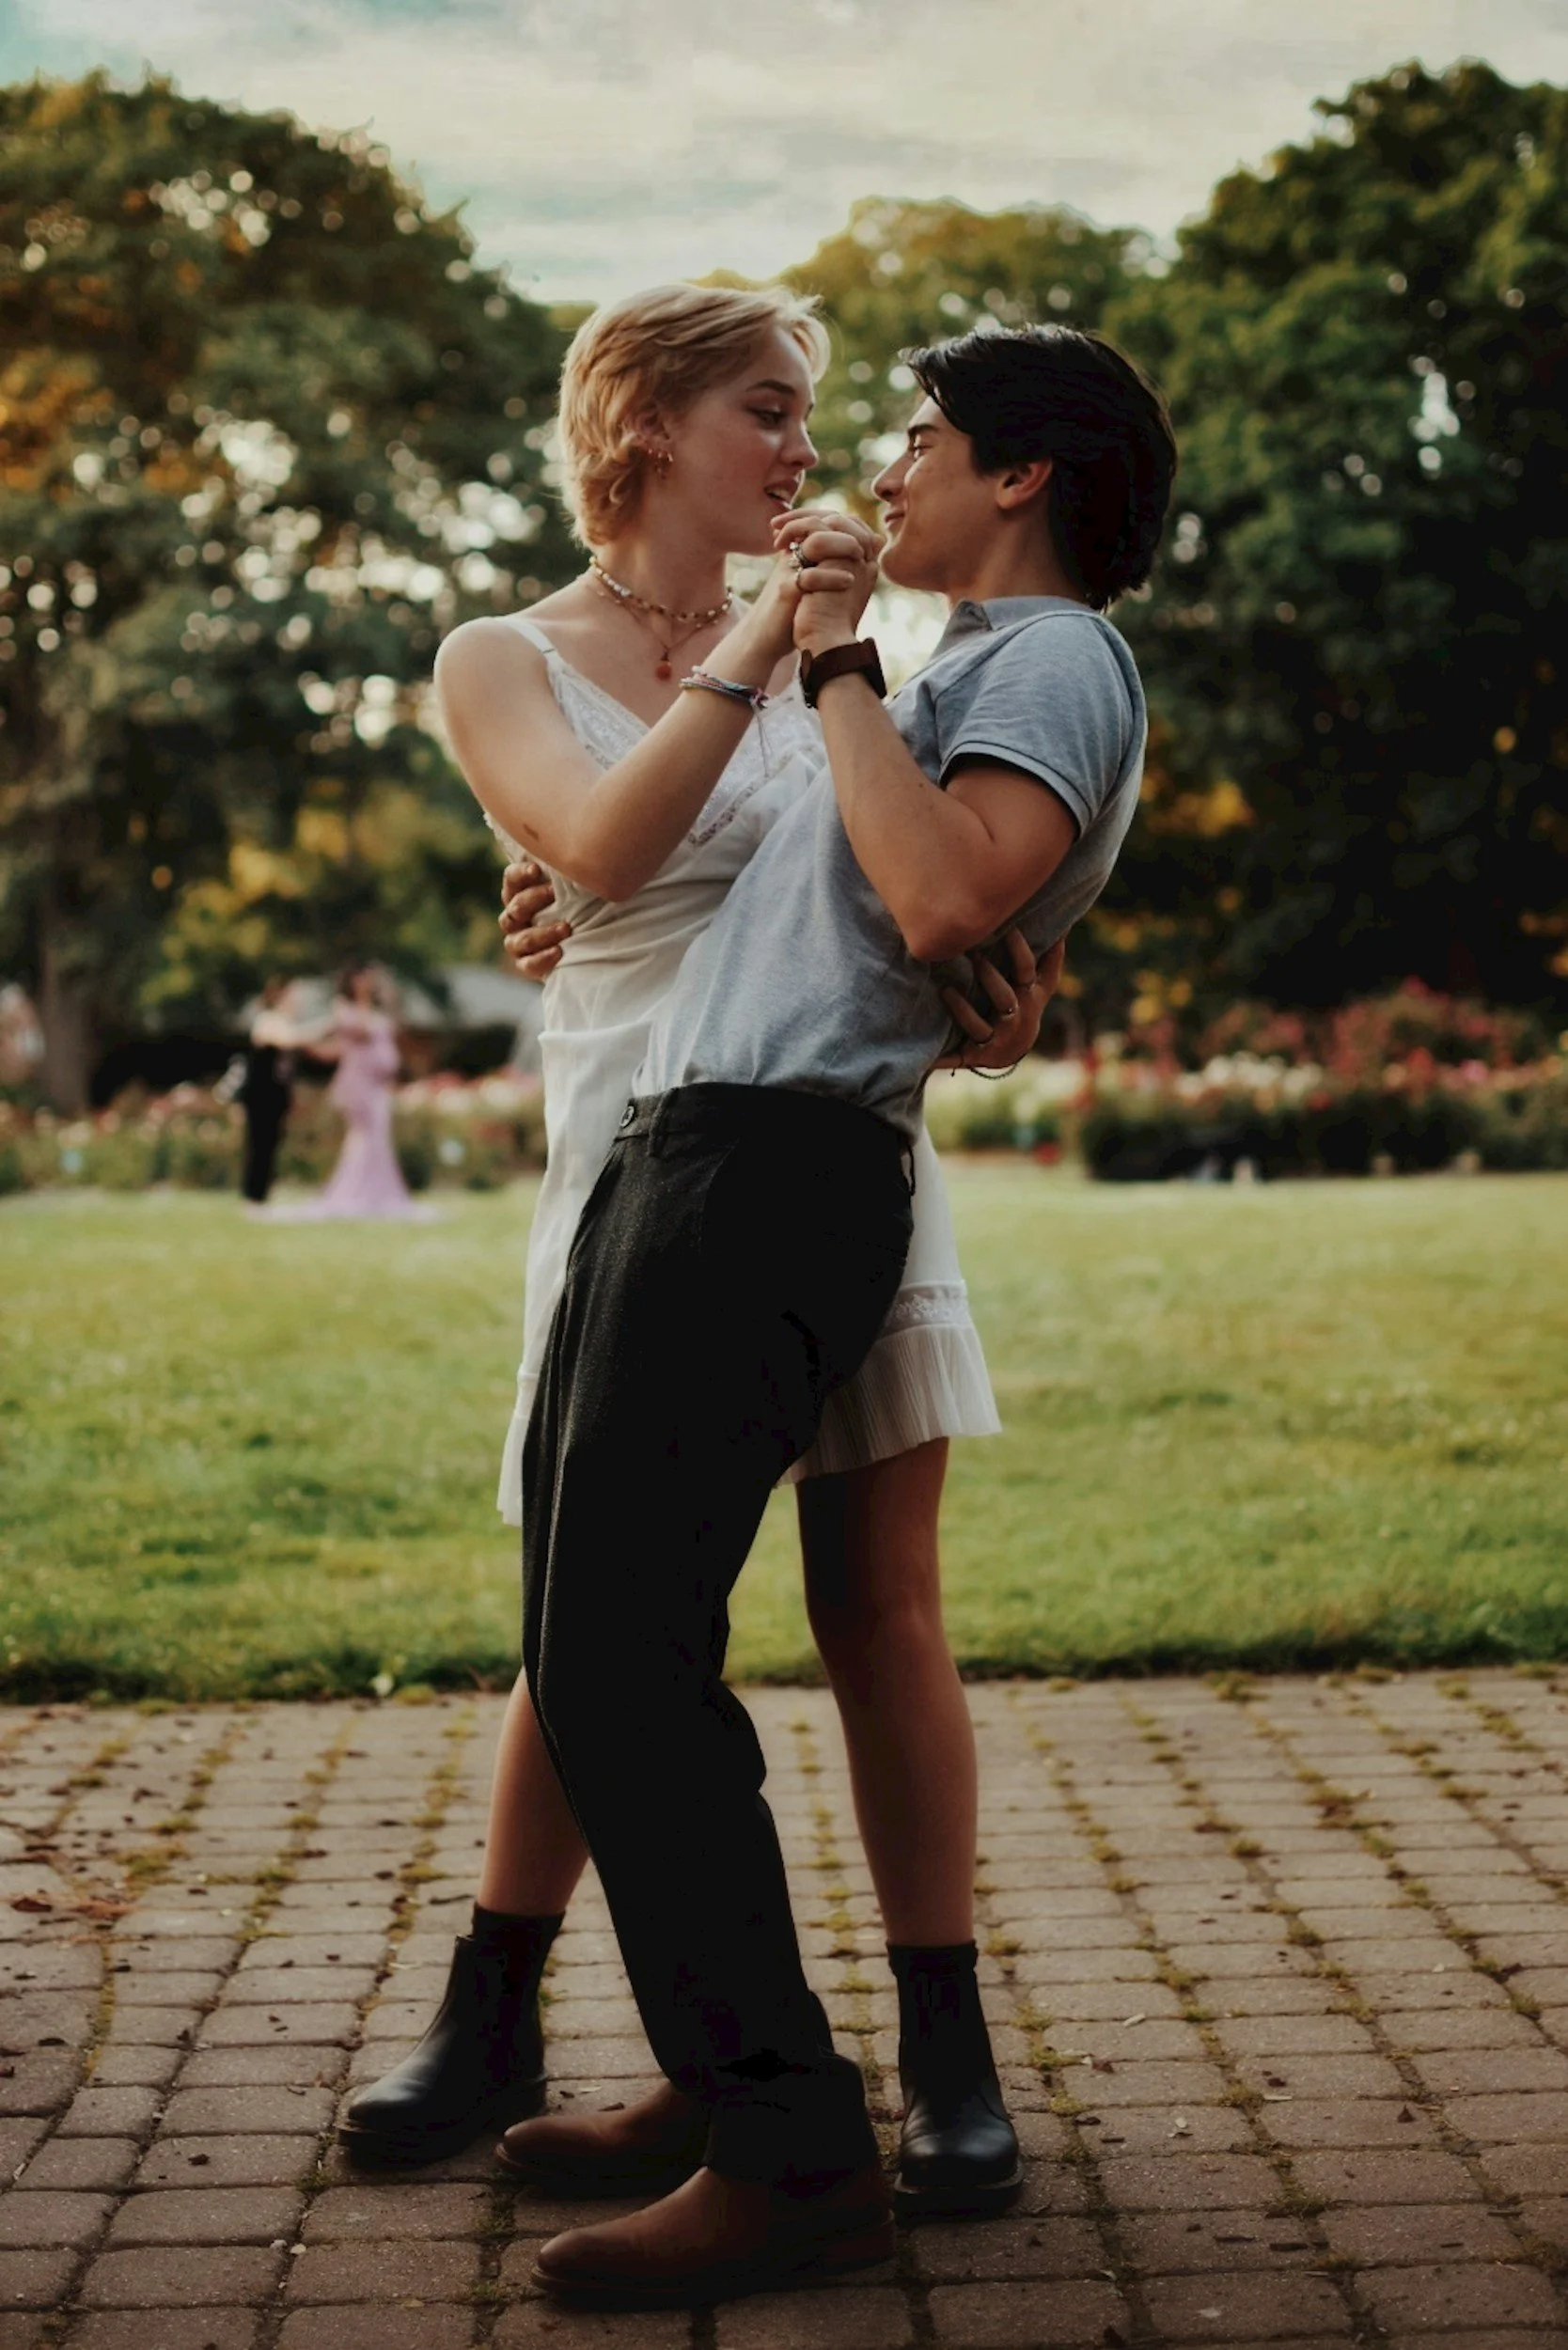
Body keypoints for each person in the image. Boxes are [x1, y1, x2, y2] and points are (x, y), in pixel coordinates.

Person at [341, 284, 1052, 2218]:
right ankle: (499, 2002)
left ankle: (947, 2051)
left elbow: (912, 886)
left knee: (875, 1597)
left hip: (828, 1161)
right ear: (645, 418)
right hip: (624, 1150)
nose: (808, 451)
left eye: (816, 416)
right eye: (769, 407)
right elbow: (605, 840)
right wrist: (768, 634)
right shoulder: (501, 652)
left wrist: (1002, 990)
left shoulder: (852, 653)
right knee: (594, 1610)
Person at [496, 318, 1175, 2310]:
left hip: (773, 1168)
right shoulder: (946, 664)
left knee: (620, 1654)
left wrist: (845, 662)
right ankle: (738, 2083)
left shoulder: (1049, 657)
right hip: (681, 1139)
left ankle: (789, 2141)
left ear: (1023, 474)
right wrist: (549, 895)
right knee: (599, 1627)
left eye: (921, 436)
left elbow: (949, 893)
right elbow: (748, 861)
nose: (886, 468)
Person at [307, 964, 427, 1220]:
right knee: (364, 1137)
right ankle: (357, 1193)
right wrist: (363, 998)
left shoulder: (375, 1010)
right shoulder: (345, 1008)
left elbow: (392, 1030)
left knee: (377, 1138)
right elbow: (361, 1032)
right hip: (360, 1085)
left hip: (379, 1086)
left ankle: (378, 1192)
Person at [237, 979, 301, 1209]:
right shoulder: (268, 1021)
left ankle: (264, 1194)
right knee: (258, 1144)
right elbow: (283, 1041)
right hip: (261, 1096)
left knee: (272, 1144)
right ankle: (253, 1196)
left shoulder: (287, 1023)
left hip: (277, 1096)